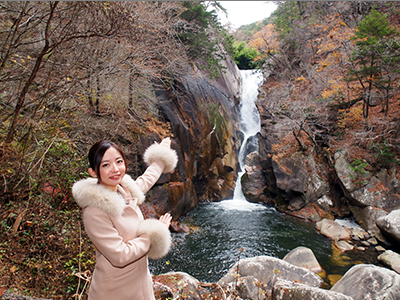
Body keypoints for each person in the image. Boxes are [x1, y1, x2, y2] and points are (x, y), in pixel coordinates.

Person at [72, 137, 178, 300]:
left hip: (140, 287)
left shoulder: (122, 190)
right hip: (114, 292)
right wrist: (156, 232)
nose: (115, 169)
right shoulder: (94, 211)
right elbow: (120, 255)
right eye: (106, 165)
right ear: (93, 172)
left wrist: (162, 154)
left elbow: (146, 179)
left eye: (119, 161)